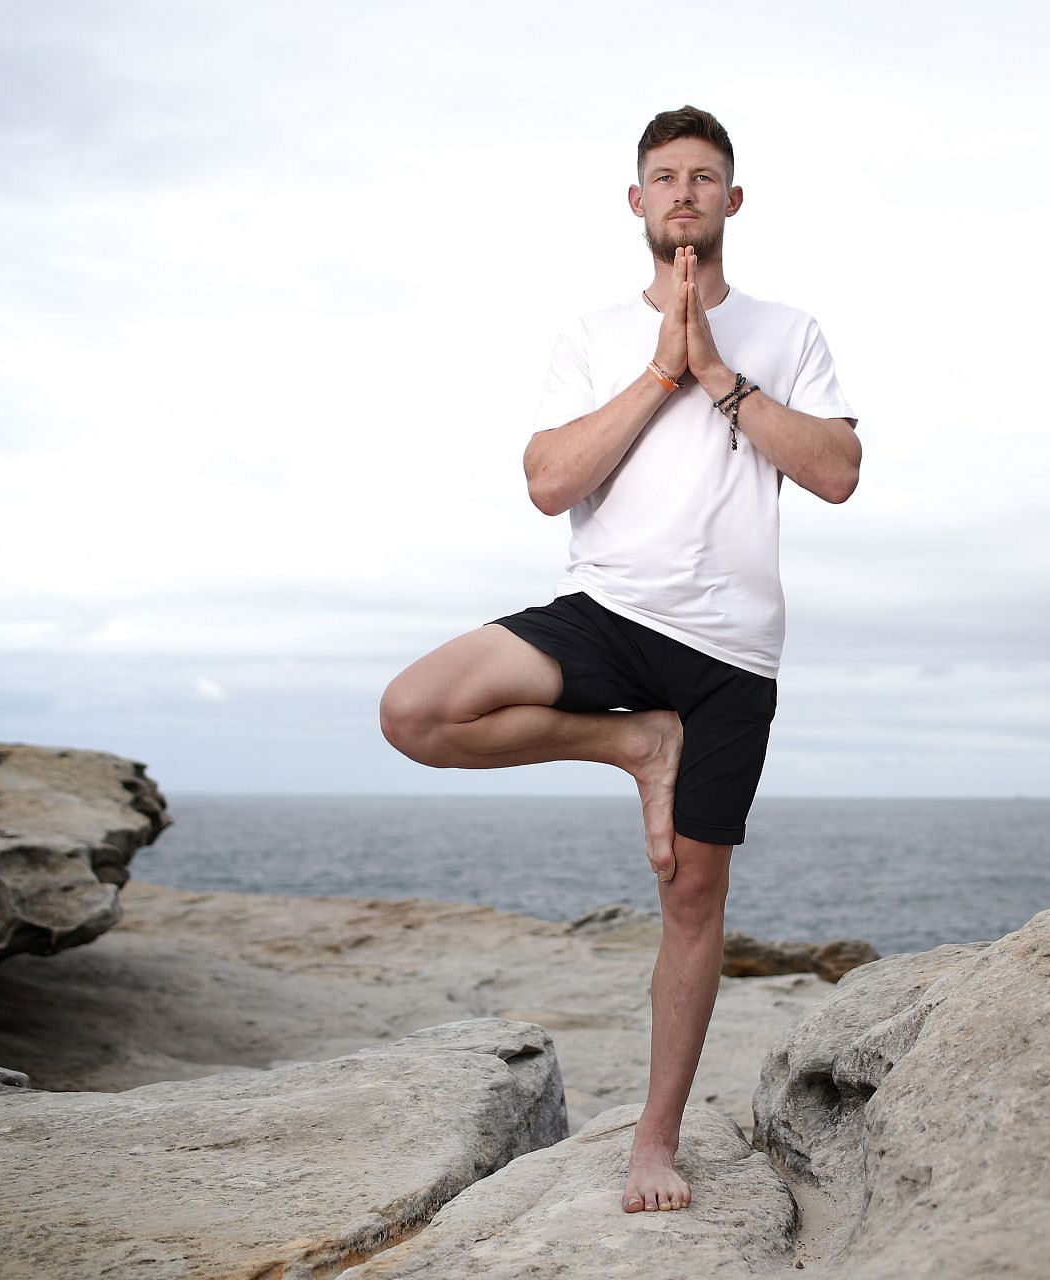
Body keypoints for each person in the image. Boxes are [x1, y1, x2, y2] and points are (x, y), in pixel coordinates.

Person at [379, 105, 860, 1215]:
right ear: (635, 201)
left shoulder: (788, 332)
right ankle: (635, 743)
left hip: (731, 653)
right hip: (607, 612)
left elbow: (836, 471)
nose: (684, 192)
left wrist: (720, 376)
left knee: (692, 898)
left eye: (704, 176)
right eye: (663, 176)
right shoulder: (592, 335)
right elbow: (550, 482)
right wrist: (659, 372)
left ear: (733, 200)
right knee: (416, 711)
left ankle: (655, 1139)